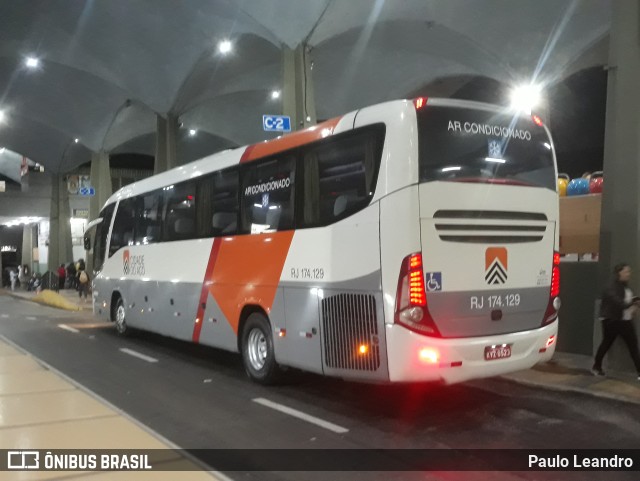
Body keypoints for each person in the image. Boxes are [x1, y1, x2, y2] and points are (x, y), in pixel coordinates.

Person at [592, 263, 640, 380]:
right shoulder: (611, 287)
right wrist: (634, 302)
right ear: (619, 273)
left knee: (630, 345)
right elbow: (620, 304)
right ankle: (597, 366)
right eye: (626, 271)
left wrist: (634, 303)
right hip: (613, 321)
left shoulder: (625, 287)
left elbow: (625, 302)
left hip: (624, 320)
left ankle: (597, 366)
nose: (629, 274)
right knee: (609, 343)